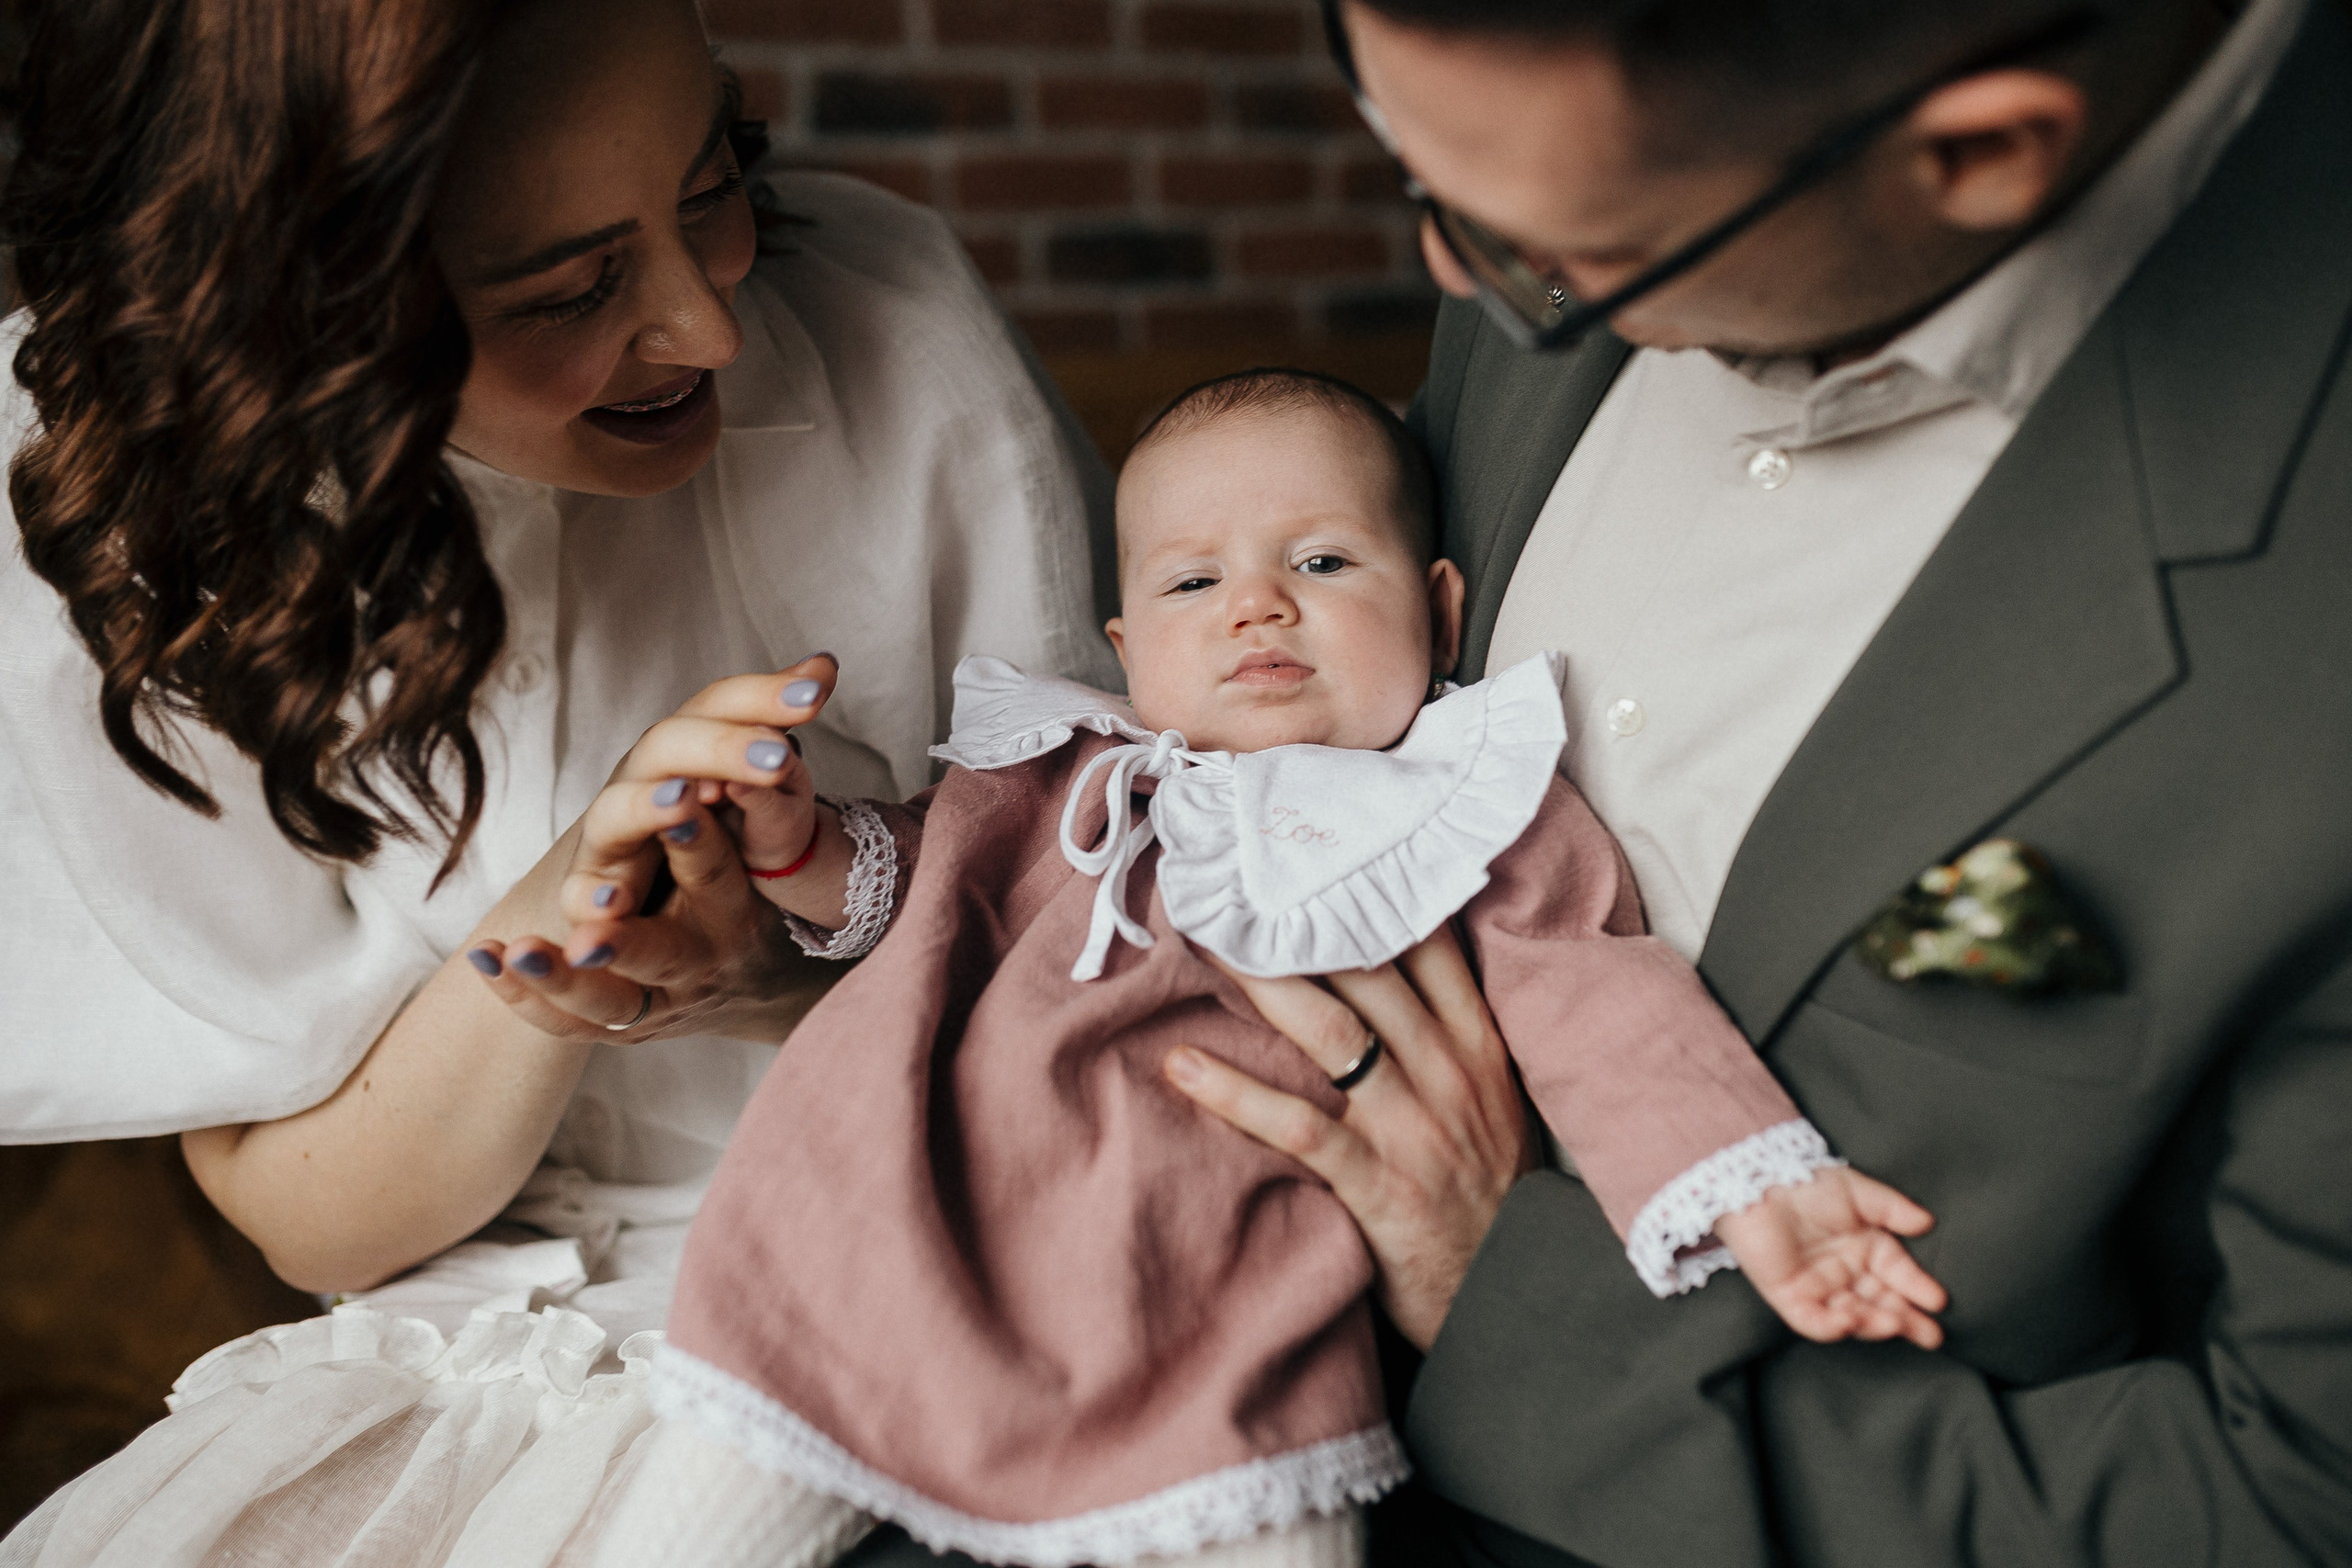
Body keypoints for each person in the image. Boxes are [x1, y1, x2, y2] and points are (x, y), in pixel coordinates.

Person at [1014, 1, 2341, 1566]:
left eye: (1560, 242)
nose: (1461, 275)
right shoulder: (1571, 193)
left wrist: (1496, 1306)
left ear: (1977, 154)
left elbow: (2286, 1510)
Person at [491, 369, 1945, 1568]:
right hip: (902, 1220)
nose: (1256, 605)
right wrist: (798, 844)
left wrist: (1760, 1188)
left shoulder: (1467, 817)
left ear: (1438, 614)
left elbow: (1607, 1004)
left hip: (1226, 1296)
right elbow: (910, 886)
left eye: (1319, 562)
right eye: (1197, 580)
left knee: (1270, 1518)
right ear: (1129, 649)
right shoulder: (1070, 777)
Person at [0, 0, 1113, 1561]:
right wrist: (552, 938)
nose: (711, 326)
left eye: (709, 182)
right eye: (570, 288)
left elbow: (1120, 948)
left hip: (951, 1249)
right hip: (468, 1334)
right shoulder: (113, 521)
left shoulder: (895, 328)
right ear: (296, 318)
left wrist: (786, 963)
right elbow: (313, 1211)